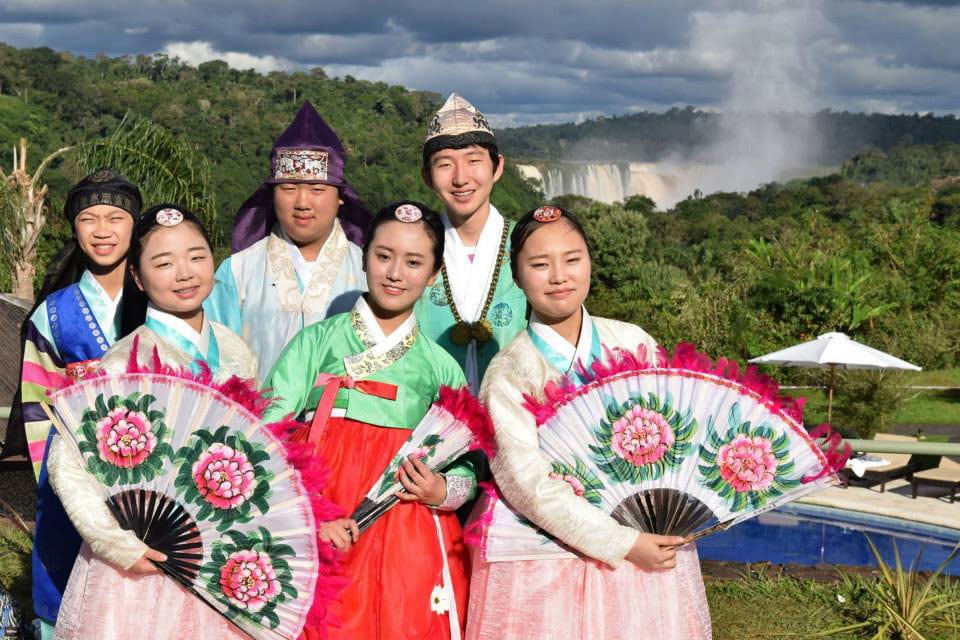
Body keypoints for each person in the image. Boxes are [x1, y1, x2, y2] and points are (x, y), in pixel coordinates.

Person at [465, 206, 712, 640]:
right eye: (539, 265)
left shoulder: (634, 343)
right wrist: (622, 543)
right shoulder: (509, 372)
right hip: (542, 560)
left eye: (572, 259)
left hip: (644, 547)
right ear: (517, 277)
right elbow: (525, 483)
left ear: (590, 263)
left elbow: (673, 444)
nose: (559, 276)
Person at [264, 202, 476, 640]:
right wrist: (307, 515)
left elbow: (469, 465)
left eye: (414, 262)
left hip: (408, 524)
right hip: (322, 515)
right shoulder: (315, 342)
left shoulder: (441, 367)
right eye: (384, 256)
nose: (396, 272)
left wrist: (440, 489)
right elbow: (267, 438)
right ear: (365, 258)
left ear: (434, 275)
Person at [47, 205, 255, 639]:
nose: (184, 273)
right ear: (138, 278)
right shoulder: (126, 360)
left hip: (220, 551)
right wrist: (117, 544)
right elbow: (67, 461)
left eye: (196, 256)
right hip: (144, 556)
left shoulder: (235, 350)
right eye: (163, 263)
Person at [13, 169, 141, 639]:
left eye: (115, 217)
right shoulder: (53, 312)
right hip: (73, 465)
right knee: (65, 568)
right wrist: (55, 474)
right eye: (88, 218)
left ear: (135, 224)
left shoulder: (160, 299)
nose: (102, 230)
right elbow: (35, 400)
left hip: (153, 466)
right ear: (73, 226)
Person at [206, 101, 371, 378]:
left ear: (341, 196)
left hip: (344, 418)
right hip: (256, 417)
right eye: (289, 188)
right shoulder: (237, 271)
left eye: (317, 189)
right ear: (271, 194)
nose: (302, 202)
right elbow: (213, 358)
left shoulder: (369, 270)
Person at [414, 93, 527, 393]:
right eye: (445, 165)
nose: (461, 178)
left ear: (497, 167)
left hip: (516, 414)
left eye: (474, 161)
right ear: (427, 176)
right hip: (432, 416)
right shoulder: (415, 249)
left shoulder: (527, 245)